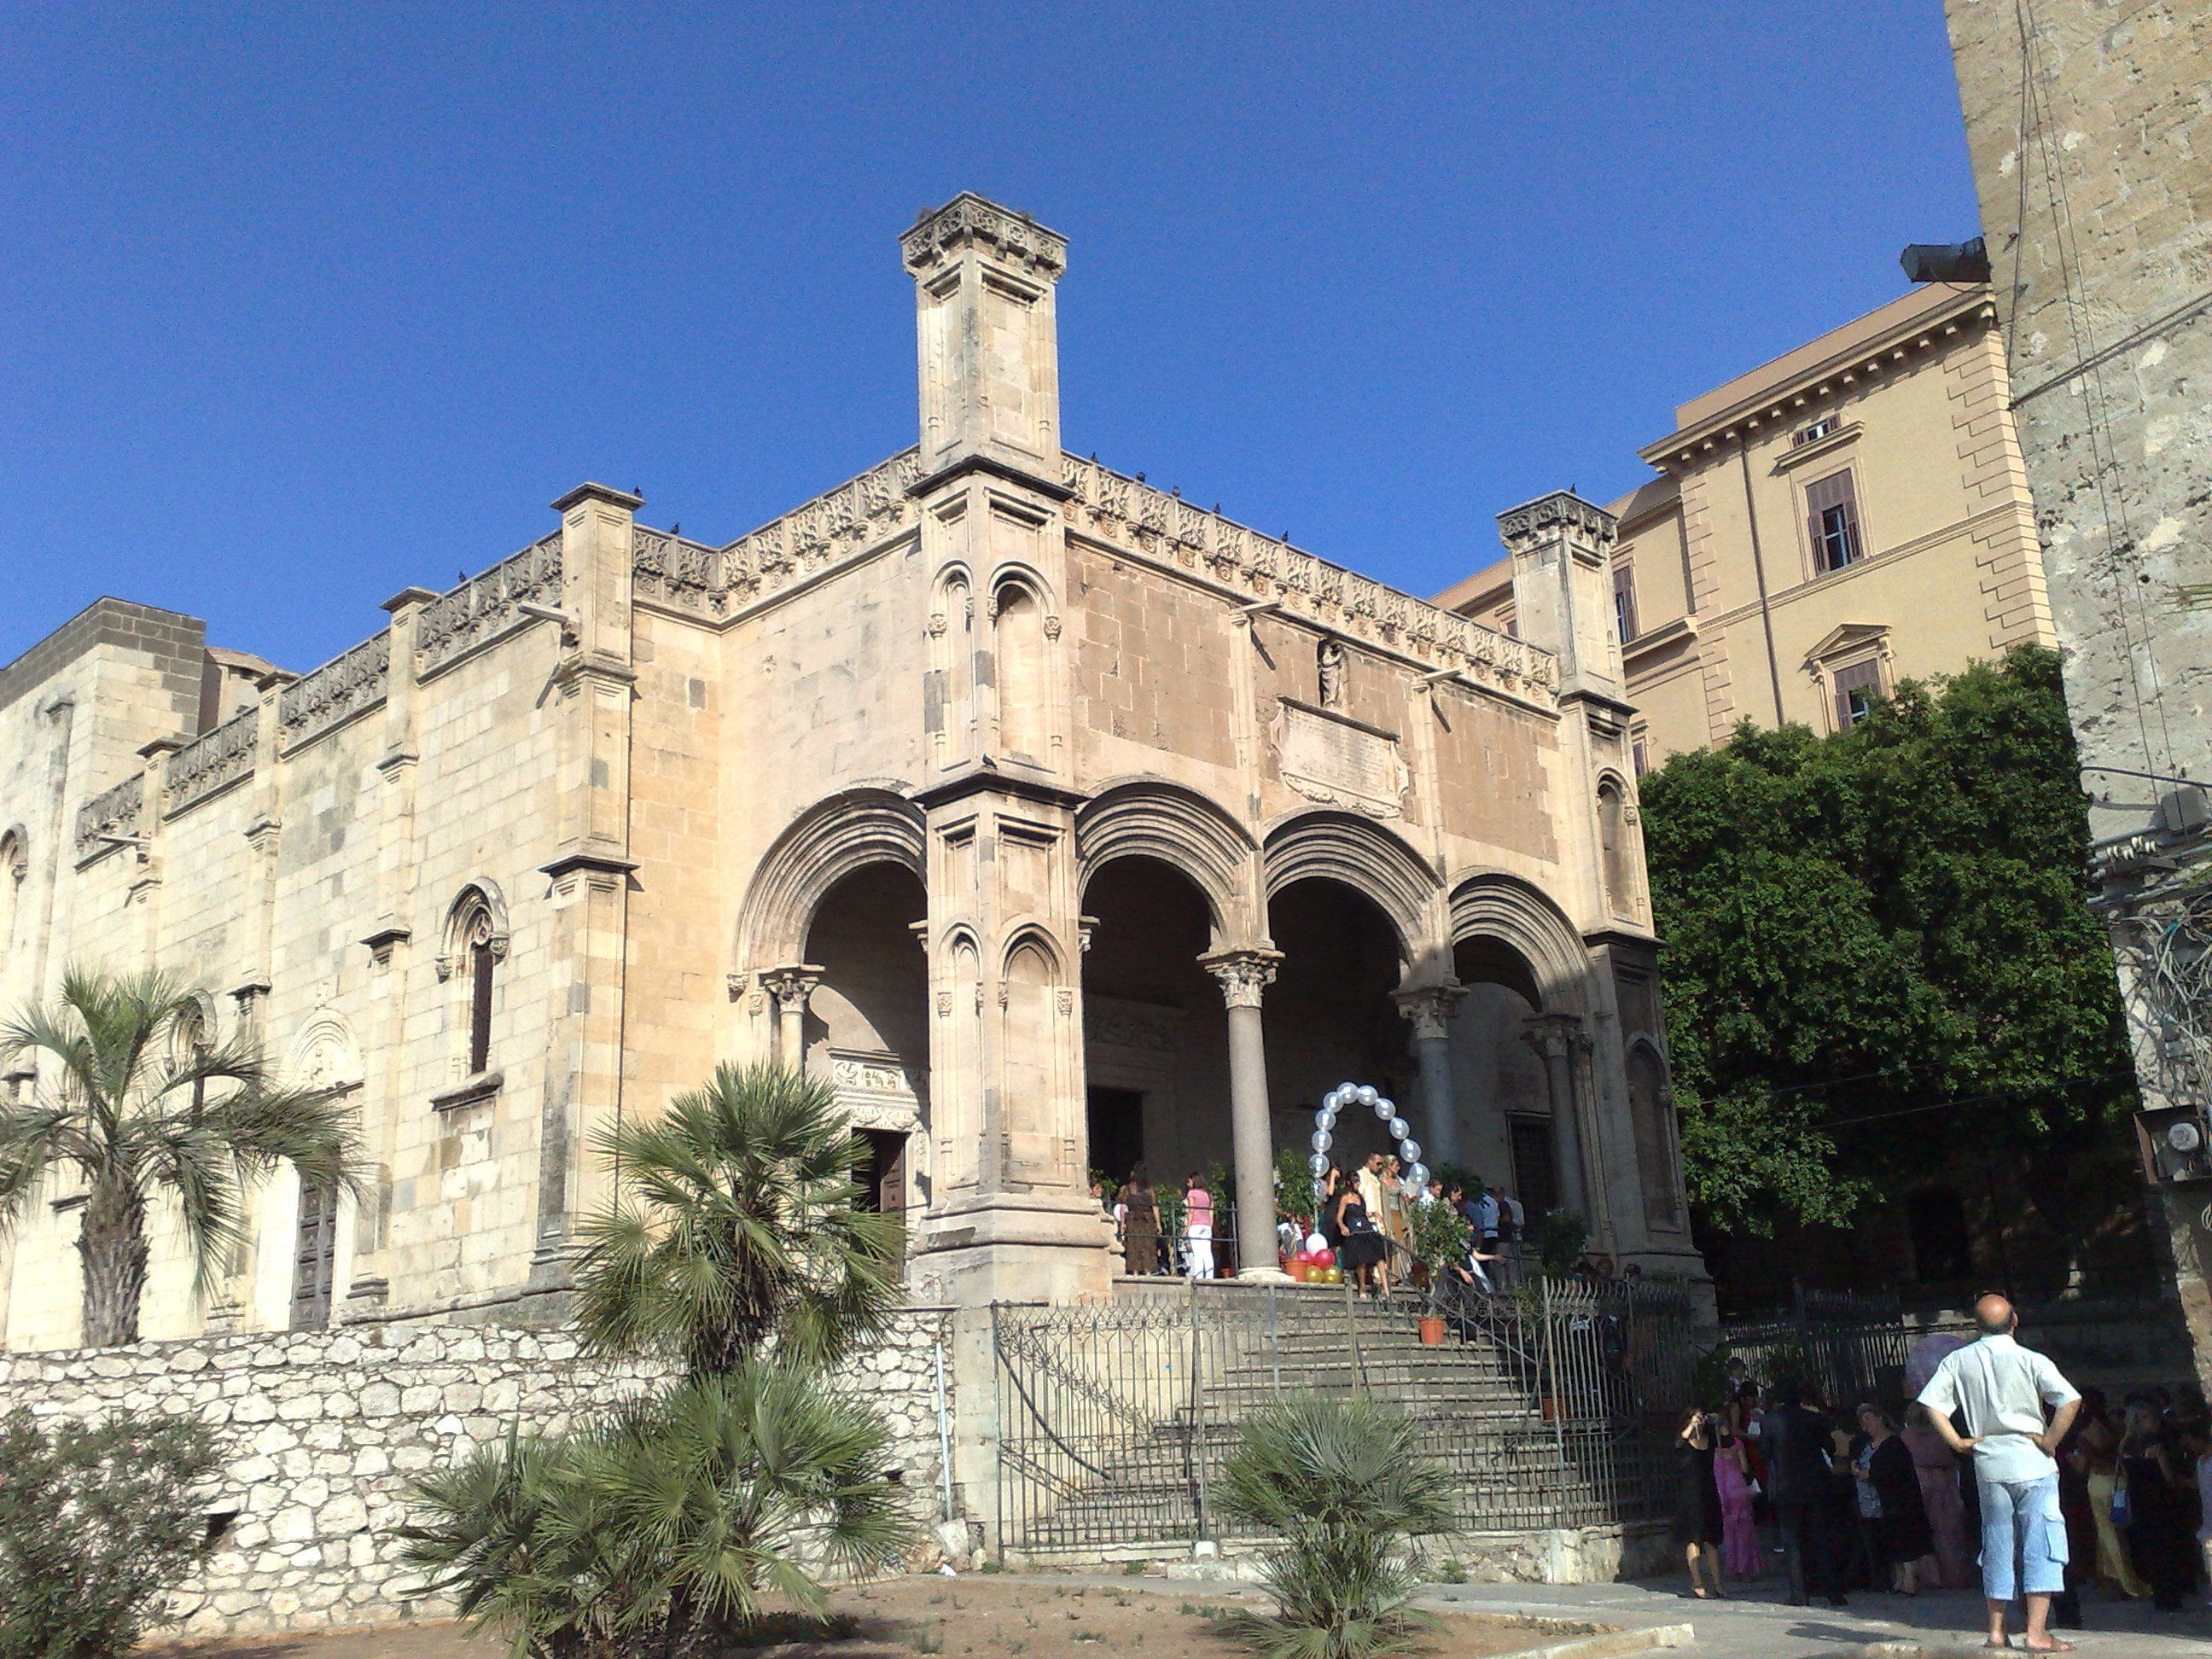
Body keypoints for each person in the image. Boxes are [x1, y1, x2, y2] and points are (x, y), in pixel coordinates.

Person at [1916, 1293, 2082, 1653]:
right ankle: (2037, 1632)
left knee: (1997, 1542)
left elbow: (1931, 1403)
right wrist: (2051, 1441)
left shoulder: (1959, 1360)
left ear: (1978, 1325)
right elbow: (2070, 1400)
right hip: (2032, 1460)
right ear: (2014, 1321)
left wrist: (1956, 1441)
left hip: (1989, 1461)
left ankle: (1996, 1629)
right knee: (2041, 1542)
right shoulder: (2031, 1359)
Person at [1765, 1377, 1848, 1608]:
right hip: (1815, 1483)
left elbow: (1765, 1452)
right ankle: (1833, 1591)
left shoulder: (1770, 1420)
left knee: (1792, 1542)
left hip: (1787, 1485)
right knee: (1820, 1537)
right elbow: (1829, 1447)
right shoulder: (1815, 1419)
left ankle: (1799, 1592)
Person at [2119, 1398, 2196, 1610]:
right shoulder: (2156, 1446)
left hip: (2139, 1501)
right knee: (2167, 1548)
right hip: (2161, 1501)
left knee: (2149, 1548)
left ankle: (2159, 1594)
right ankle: (2171, 1595)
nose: (2154, 1421)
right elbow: (2168, 1477)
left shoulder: (2125, 1445)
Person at [1857, 1405, 1933, 1595]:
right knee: (1891, 1541)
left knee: (1904, 1539)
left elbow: (1893, 1471)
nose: (1866, 1424)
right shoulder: (1867, 1444)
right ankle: (1900, 1579)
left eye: (1869, 1418)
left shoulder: (1895, 1443)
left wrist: (1869, 1474)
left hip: (1900, 1500)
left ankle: (1909, 1581)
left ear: (1880, 1418)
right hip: (1879, 1502)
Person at [1902, 1402, 1974, 1591]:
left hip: (1919, 1483)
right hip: (1946, 1486)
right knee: (1949, 1532)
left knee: (1924, 1532)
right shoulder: (1941, 1435)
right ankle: (1955, 1575)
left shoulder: (1906, 1436)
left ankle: (1929, 1576)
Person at [1674, 1406, 1728, 1598]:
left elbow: (1728, 1442)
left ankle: (1718, 1584)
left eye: (1700, 1417)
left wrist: (1720, 1423)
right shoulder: (1683, 1441)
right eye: (1695, 1417)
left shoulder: (1709, 1439)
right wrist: (1691, 1426)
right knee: (1693, 1539)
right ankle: (1697, 1583)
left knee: (1711, 1541)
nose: (1699, 1420)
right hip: (1690, 1495)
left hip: (1709, 1492)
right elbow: (1679, 1443)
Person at [1714, 1416, 1761, 1582]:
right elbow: (1745, 1468)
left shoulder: (1714, 1448)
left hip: (1722, 1490)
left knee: (1730, 1531)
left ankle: (1734, 1567)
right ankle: (1746, 1567)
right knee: (1745, 1530)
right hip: (1738, 1487)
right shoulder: (1737, 1444)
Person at [1334, 1174, 1386, 1295]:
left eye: (1359, 1181)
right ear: (1350, 1183)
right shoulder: (1345, 1198)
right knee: (1361, 1259)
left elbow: (1362, 1213)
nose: (1358, 1184)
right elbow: (1339, 1217)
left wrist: (1373, 1214)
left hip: (1365, 1228)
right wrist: (1343, 1227)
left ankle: (1385, 1288)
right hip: (1354, 1230)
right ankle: (1362, 1288)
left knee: (1378, 1255)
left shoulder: (1360, 1197)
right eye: (1356, 1181)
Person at [1119, 1169, 1161, 1278]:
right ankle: (1142, 1271)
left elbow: (1154, 1206)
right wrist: (1123, 1223)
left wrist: (1158, 1223)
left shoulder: (1144, 1189)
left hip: (1142, 1219)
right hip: (1138, 1218)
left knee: (1143, 1244)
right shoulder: (1129, 1189)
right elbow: (1154, 1206)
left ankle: (1139, 1271)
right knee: (1137, 1244)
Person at [1182, 1172, 1214, 1280]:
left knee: (1197, 1253)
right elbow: (1211, 1211)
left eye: (1189, 1181)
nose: (1188, 1184)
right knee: (1207, 1252)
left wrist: (1187, 1228)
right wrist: (1210, 1225)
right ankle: (1209, 1276)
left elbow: (1191, 1210)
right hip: (1206, 1225)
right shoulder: (1207, 1194)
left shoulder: (1192, 1193)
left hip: (1195, 1224)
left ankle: (1199, 1276)